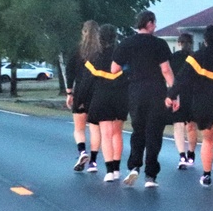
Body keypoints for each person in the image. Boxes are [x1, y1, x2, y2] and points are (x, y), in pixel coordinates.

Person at [110, 10, 175, 188]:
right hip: (156, 90)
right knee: (154, 132)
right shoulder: (159, 44)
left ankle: (134, 166)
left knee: (138, 129)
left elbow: (114, 69)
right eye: (154, 22)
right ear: (150, 23)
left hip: (135, 89)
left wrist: (130, 69)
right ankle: (150, 175)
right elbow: (166, 70)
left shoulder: (126, 43)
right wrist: (174, 93)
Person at [167, 26, 213, 190]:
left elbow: (182, 79)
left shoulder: (197, 58)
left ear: (205, 40)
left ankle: (206, 175)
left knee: (208, 140)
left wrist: (171, 95)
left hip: (203, 103)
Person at [86, 24, 128, 182]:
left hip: (102, 98)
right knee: (117, 133)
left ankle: (109, 171)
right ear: (115, 37)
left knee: (106, 134)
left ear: (100, 38)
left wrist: (79, 100)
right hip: (121, 97)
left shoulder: (95, 58)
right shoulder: (122, 56)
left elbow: (87, 83)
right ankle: (117, 169)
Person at [65, 19, 102, 173]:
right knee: (95, 128)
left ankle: (82, 152)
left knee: (79, 128)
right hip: (97, 92)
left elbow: (69, 71)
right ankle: (93, 162)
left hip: (80, 91)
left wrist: (69, 92)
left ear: (83, 32)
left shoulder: (77, 51)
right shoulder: (101, 52)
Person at [167, 32, 198, 170]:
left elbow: (170, 77)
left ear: (179, 43)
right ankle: (190, 153)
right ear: (191, 43)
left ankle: (182, 156)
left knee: (178, 125)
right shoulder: (195, 57)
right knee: (191, 126)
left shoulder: (173, 58)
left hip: (177, 93)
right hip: (192, 94)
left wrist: (173, 94)